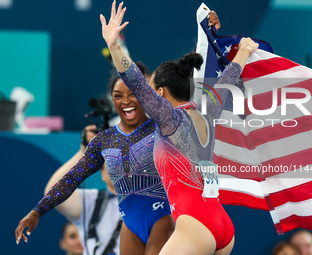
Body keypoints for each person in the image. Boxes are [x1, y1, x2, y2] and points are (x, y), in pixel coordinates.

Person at [99, 2, 258, 254]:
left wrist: (114, 45)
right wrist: (245, 51)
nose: (146, 95)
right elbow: (228, 78)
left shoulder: (168, 118)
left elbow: (134, 80)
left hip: (195, 225)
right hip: (222, 225)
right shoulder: (209, 109)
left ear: (160, 93)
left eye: (152, 89)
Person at [15, 61, 175, 255]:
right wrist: (37, 211)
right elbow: (72, 179)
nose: (125, 101)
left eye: (133, 94)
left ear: (145, 96)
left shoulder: (163, 128)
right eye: (118, 96)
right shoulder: (104, 141)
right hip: (130, 225)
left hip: (162, 217)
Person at [43, 124, 121, 255]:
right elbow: (53, 194)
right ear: (102, 174)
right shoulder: (92, 200)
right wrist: (84, 152)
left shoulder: (150, 200)